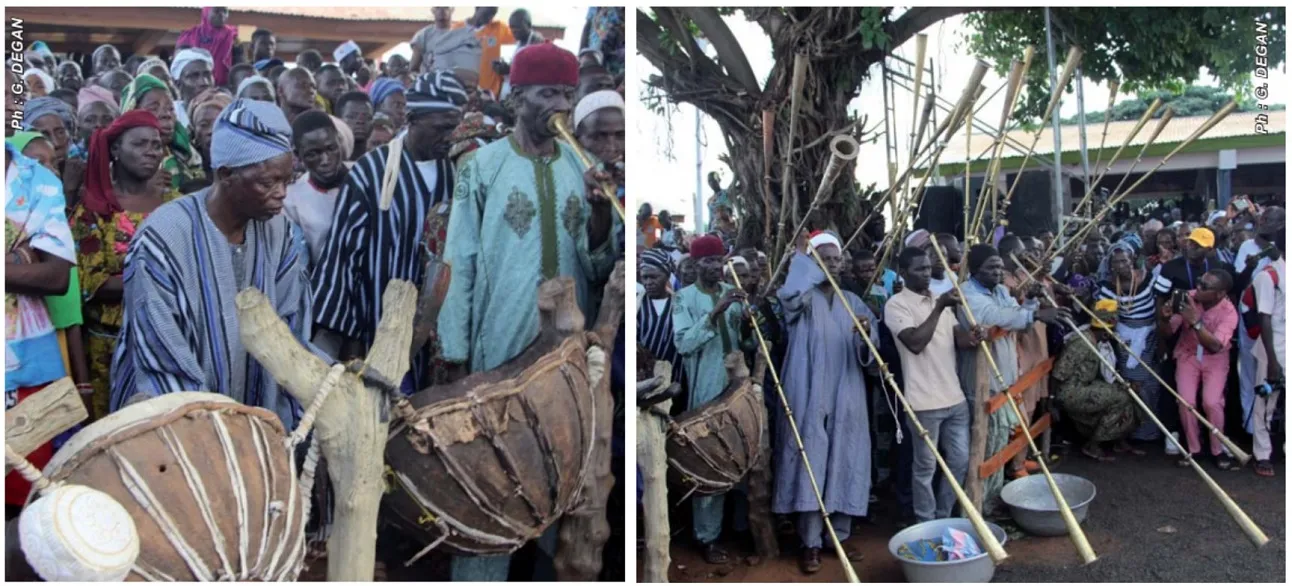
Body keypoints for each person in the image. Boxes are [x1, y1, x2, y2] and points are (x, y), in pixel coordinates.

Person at [436, 43, 617, 579]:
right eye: (547, 93)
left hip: (567, 349)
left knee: (561, 462)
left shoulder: (584, 167)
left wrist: (603, 211)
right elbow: (460, 257)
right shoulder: (482, 166)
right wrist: (455, 348)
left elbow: (599, 261)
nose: (558, 104)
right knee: (494, 471)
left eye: (566, 93)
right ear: (518, 98)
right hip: (498, 347)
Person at [109, 99, 315, 428]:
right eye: (267, 183)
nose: (281, 195)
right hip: (174, 424)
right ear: (225, 175)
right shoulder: (163, 239)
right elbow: (163, 356)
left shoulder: (280, 231)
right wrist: (218, 431)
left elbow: (291, 324)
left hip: (256, 413)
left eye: (286, 182)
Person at [312, 71, 465, 393]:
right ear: (411, 118)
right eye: (441, 128)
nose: (450, 137)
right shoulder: (371, 172)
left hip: (442, 336)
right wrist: (352, 343)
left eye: (455, 127)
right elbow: (343, 260)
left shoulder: (459, 172)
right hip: (376, 329)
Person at [774, 232, 877, 573]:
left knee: (846, 454)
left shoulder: (853, 301)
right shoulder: (801, 300)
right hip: (808, 390)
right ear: (812, 264)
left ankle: (839, 536)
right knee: (811, 458)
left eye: (836, 260)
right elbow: (788, 295)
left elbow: (871, 352)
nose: (832, 265)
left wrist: (865, 336)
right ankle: (811, 542)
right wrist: (803, 261)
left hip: (847, 389)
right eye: (825, 259)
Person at [71, 110, 182, 419]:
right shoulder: (94, 212)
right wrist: (160, 278)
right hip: (108, 348)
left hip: (168, 342)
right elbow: (90, 284)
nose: (151, 151)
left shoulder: (177, 205)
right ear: (116, 150)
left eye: (156, 144)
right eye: (140, 144)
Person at [958, 244, 1070, 511]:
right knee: (985, 448)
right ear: (975, 270)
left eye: (999, 266)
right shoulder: (967, 294)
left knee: (999, 445)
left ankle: (992, 499)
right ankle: (978, 507)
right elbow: (995, 317)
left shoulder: (999, 290)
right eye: (990, 268)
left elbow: (1017, 315)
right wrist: (1034, 312)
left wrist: (1030, 303)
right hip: (982, 383)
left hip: (1005, 379)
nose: (997, 272)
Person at [6, 134, 77, 510]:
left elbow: (56, 277)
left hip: (27, 369)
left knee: (26, 502)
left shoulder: (40, 181)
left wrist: (36, 262)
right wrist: (18, 258)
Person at [887, 246, 983, 523]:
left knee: (959, 461)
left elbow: (959, 339)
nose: (927, 273)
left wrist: (974, 336)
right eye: (919, 269)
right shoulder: (896, 305)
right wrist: (940, 307)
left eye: (928, 268)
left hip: (954, 398)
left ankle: (943, 515)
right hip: (923, 402)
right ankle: (925, 521)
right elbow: (915, 343)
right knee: (925, 467)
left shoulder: (938, 300)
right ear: (903, 274)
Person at [671, 235, 746, 565]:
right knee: (710, 459)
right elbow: (684, 344)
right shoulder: (684, 299)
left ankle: (740, 528)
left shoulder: (734, 291)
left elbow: (745, 336)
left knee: (742, 451)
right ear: (695, 264)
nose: (715, 267)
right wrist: (715, 313)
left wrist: (747, 316)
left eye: (719, 261)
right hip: (706, 390)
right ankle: (707, 536)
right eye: (708, 262)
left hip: (739, 387)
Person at [1157, 269, 1239, 469]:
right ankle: (1194, 450)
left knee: (1212, 402)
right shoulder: (1188, 298)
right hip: (1188, 355)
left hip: (1215, 358)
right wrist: (1165, 319)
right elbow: (1169, 333)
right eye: (1200, 281)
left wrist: (1195, 321)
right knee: (1186, 402)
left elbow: (1215, 346)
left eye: (1205, 286)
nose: (1198, 287)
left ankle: (1217, 450)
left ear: (1219, 294)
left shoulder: (1229, 312)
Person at [1094, 242, 1171, 443]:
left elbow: (1159, 307)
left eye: (1126, 260)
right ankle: (1133, 432)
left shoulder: (1149, 279)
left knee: (1150, 384)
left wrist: (1161, 338)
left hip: (1150, 336)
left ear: (1132, 260)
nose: (1122, 265)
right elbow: (1104, 316)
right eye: (1117, 262)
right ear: (1111, 266)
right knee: (1132, 385)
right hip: (1124, 340)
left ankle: (1150, 431)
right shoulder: (1107, 287)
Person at [1052, 300, 1141, 460]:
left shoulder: (1096, 341)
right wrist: (1052, 401)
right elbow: (1060, 373)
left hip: (1085, 386)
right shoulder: (1083, 342)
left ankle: (1119, 440)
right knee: (1120, 397)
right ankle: (1093, 445)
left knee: (1128, 392)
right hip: (1071, 390)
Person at [284, 110, 346, 264]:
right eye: (313, 154)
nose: (325, 160)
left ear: (339, 141)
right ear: (298, 155)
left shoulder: (367, 180)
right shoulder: (292, 199)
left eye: (331, 148)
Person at [1249, 216, 1284, 477]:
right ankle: (1262, 454)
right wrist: (1272, 361)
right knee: (1265, 403)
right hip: (1273, 351)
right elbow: (1265, 318)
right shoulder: (1268, 275)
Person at [638, 248, 684, 394]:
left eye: (654, 277)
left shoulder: (680, 305)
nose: (648, 282)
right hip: (640, 379)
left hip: (675, 376)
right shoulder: (635, 305)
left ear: (667, 276)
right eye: (644, 278)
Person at [1156, 228, 1234, 295]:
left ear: (1209, 249)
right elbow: (1160, 299)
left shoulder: (1219, 268)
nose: (1192, 247)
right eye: (1191, 243)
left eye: (1198, 245)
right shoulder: (1169, 267)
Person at [456, 8, 514, 98]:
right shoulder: (456, 29)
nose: (490, 18)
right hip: (460, 94)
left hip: (489, 97)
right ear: (477, 7)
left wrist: (505, 68)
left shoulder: (501, 29)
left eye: (493, 14)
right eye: (488, 13)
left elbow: (520, 46)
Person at [185, 88, 234, 189]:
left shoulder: (247, 166)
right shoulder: (186, 170)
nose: (211, 131)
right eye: (204, 125)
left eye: (218, 123)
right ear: (194, 132)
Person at [176, 7, 235, 86]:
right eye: (217, 10)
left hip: (223, 85)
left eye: (225, 11)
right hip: (193, 84)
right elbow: (179, 61)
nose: (221, 14)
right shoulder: (190, 34)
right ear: (206, 12)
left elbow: (238, 62)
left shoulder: (233, 35)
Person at [168, 48, 216, 130]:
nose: (204, 82)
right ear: (177, 84)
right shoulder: (171, 115)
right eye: (194, 76)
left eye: (207, 74)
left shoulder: (225, 112)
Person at [580, 7, 625, 79]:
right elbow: (587, 29)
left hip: (614, 60)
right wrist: (581, 53)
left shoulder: (620, 10)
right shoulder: (594, 8)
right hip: (592, 55)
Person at [334, 91, 374, 159]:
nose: (360, 121)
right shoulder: (330, 156)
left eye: (367, 117)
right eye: (352, 117)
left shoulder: (378, 154)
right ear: (338, 120)